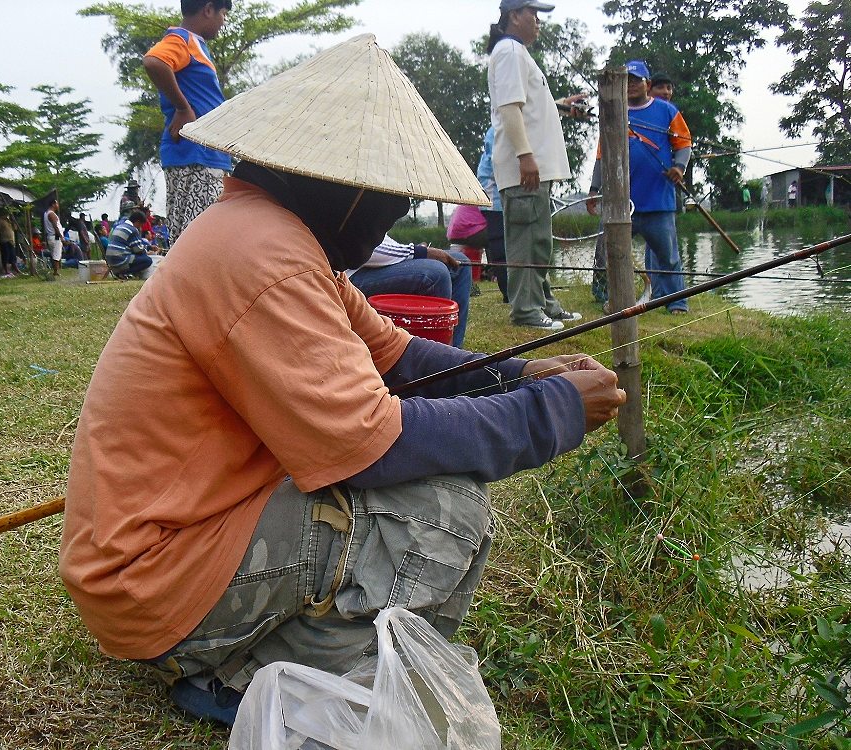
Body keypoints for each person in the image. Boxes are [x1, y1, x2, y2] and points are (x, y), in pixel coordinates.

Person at [58, 34, 625, 728]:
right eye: (390, 192)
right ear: (348, 185)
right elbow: (379, 443)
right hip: (158, 578)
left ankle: (277, 648)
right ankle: (243, 670)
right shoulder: (262, 256)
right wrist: (550, 413)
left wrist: (522, 372)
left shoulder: (277, 239)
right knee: (447, 510)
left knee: (429, 491)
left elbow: (401, 360)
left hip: (186, 536)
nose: (395, 212)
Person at [487, 0, 587, 330]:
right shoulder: (510, 52)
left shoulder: (515, 53)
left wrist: (558, 106)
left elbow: (526, 106)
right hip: (523, 168)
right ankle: (527, 311)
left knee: (538, 240)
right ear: (514, 15)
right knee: (526, 241)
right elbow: (510, 109)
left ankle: (543, 303)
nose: (538, 21)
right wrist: (525, 155)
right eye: (533, 13)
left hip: (531, 168)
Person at [588, 60, 692, 315]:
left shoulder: (667, 111)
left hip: (658, 200)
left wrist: (679, 167)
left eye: (636, 80)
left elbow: (684, 143)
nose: (632, 85)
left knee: (668, 257)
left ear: (647, 84)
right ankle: (605, 296)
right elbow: (602, 155)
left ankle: (676, 302)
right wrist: (594, 189)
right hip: (620, 204)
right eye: (627, 80)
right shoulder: (613, 112)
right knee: (607, 253)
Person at [143, 0, 233, 242]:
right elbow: (154, 61)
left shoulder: (198, 46)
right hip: (194, 155)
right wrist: (183, 108)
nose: (223, 22)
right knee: (197, 236)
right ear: (208, 9)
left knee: (207, 233)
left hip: (207, 155)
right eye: (223, 14)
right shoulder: (183, 39)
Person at [347, 235, 473, 348]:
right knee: (436, 273)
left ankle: (454, 349)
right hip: (350, 275)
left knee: (461, 262)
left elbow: (380, 239)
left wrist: (412, 250)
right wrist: (418, 252)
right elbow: (360, 248)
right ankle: (437, 356)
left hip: (371, 265)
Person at [476, 125, 508, 303]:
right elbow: (496, 159)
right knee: (500, 244)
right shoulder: (497, 128)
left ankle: (509, 291)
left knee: (500, 244)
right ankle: (508, 292)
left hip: (492, 191)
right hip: (493, 193)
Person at [105, 210, 156, 278]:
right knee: (147, 260)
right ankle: (124, 273)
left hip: (111, 259)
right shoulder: (132, 230)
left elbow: (135, 246)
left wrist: (149, 247)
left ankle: (121, 272)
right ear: (137, 221)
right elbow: (138, 250)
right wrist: (148, 252)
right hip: (120, 258)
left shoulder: (120, 226)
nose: (140, 227)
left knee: (141, 256)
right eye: (140, 224)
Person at [43, 199, 64, 277]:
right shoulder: (51, 214)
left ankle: (56, 270)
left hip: (50, 236)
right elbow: (55, 226)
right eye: (57, 203)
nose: (58, 205)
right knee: (56, 255)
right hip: (55, 237)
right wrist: (61, 236)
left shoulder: (46, 213)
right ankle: (56, 271)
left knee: (54, 254)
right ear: (53, 204)